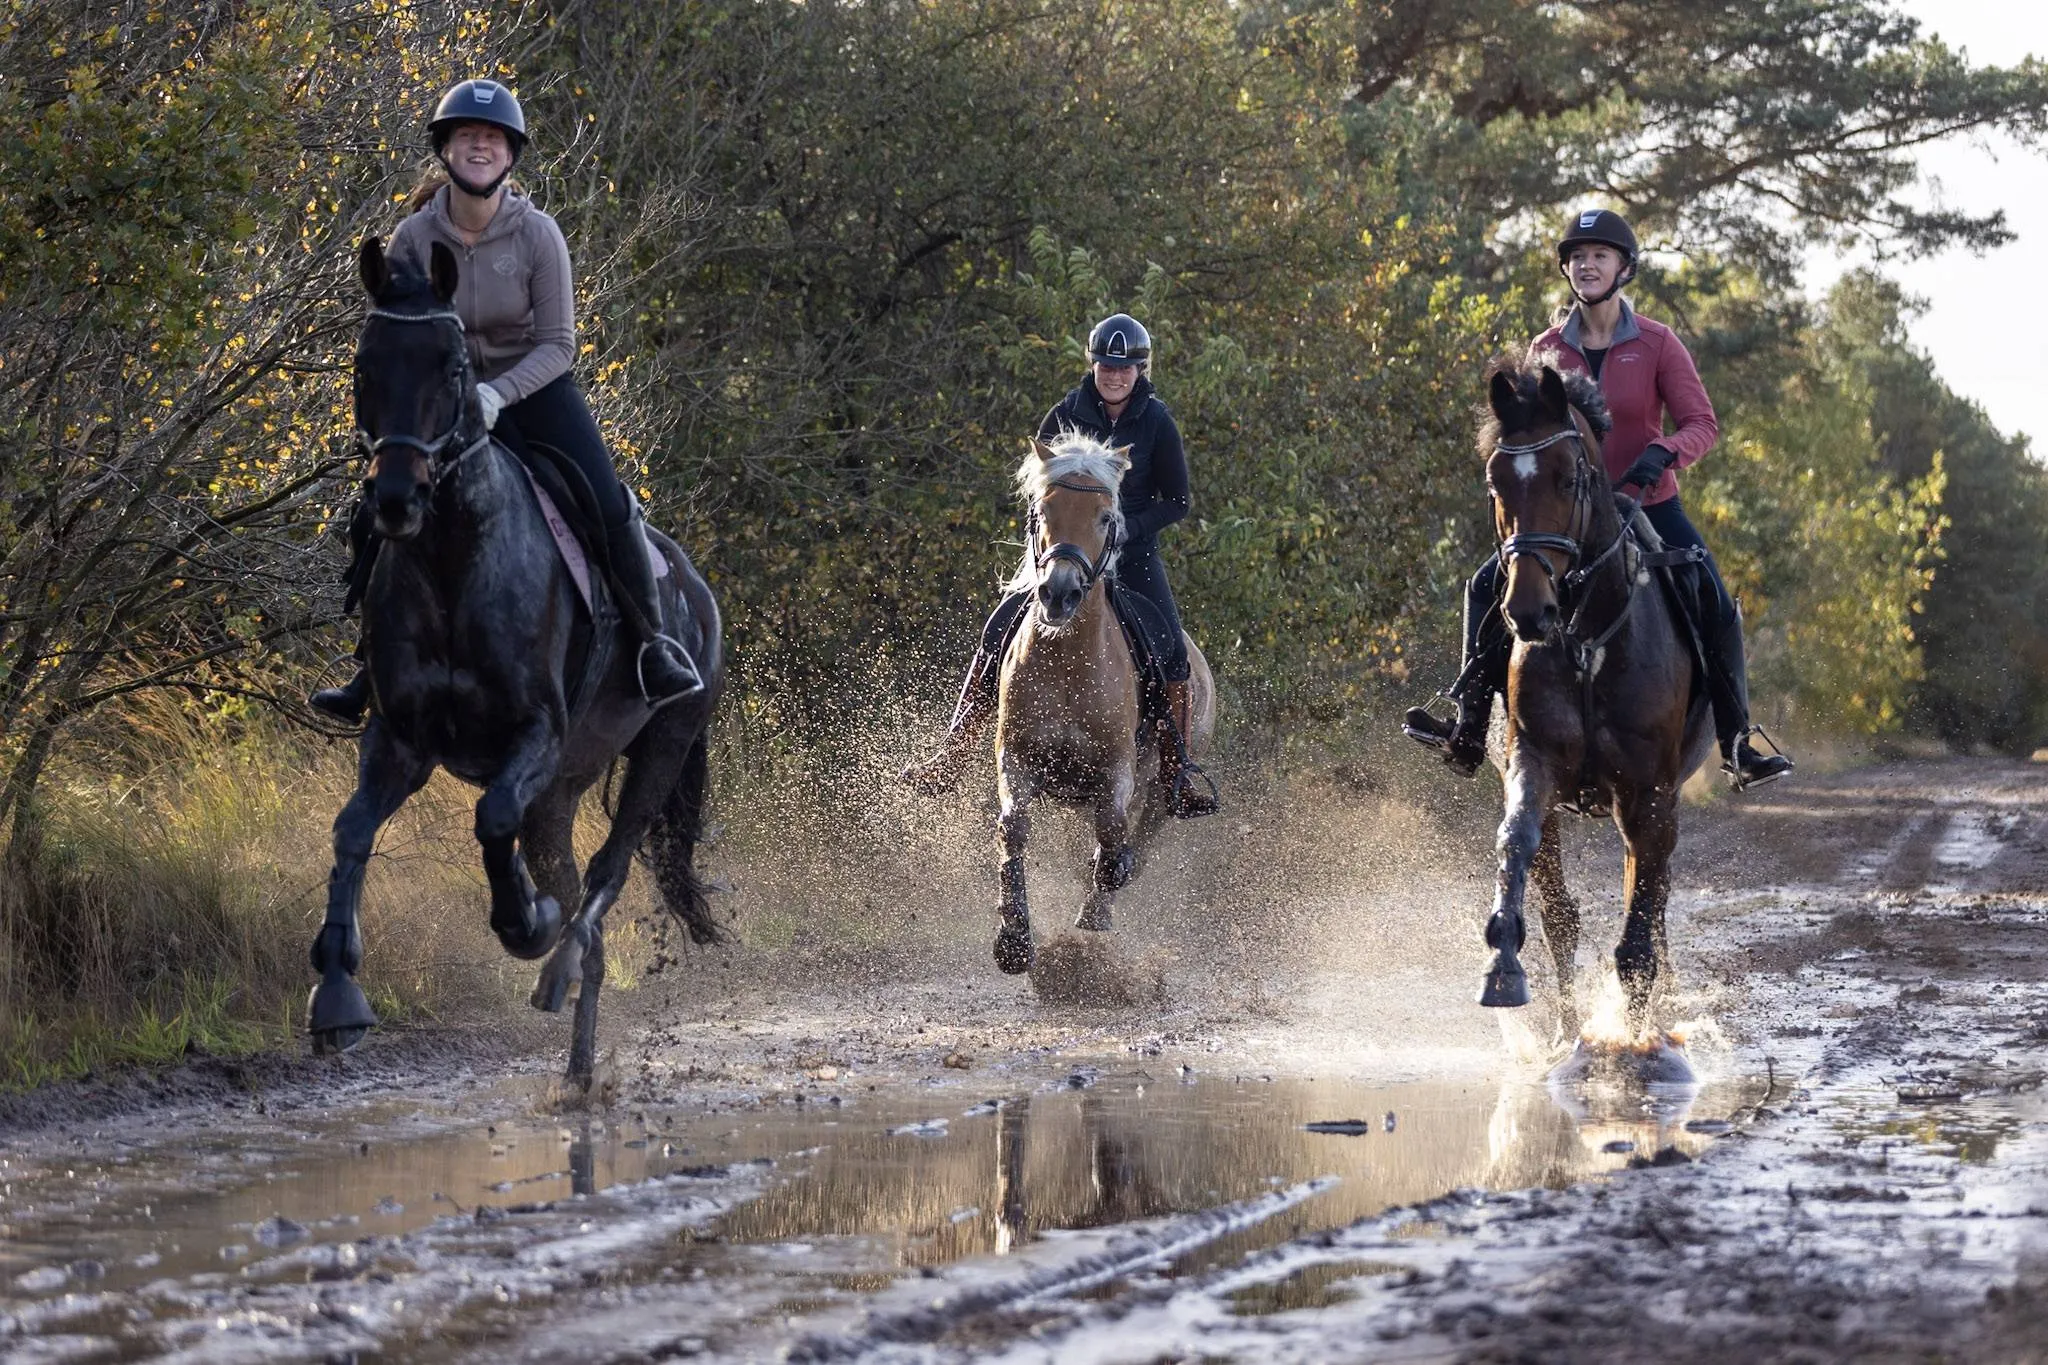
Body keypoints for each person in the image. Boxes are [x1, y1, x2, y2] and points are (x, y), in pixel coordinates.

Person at [311, 78, 701, 721]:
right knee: (378, 508)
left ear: (511, 154)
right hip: (446, 405)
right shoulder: (412, 236)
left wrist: (497, 393)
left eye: (491, 138)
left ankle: (652, 647)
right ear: (446, 149)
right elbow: (400, 338)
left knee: (605, 501)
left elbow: (558, 346)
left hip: (534, 392)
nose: (479, 146)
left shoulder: (538, 235)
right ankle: (369, 667)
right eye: (467, 136)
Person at [1402, 208, 1792, 790]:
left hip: (1647, 504)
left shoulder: (1659, 343)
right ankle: (1467, 721)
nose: (1587, 264)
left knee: (1711, 594)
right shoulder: (1547, 347)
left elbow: (1701, 423)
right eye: (1577, 257)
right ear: (1567, 270)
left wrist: (1665, 453)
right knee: (1485, 585)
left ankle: (1737, 741)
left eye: (1600, 256)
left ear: (1624, 268)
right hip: (1563, 515)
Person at [902, 313, 1218, 817]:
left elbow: (1177, 500)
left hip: (1130, 555)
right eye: (1106, 366)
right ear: (1093, 365)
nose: (1114, 376)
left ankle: (1177, 773)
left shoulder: (1157, 421)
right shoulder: (1066, 412)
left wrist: (1125, 529)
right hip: (1067, 553)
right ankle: (953, 752)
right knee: (998, 629)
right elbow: (1039, 496)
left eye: (1125, 368)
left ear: (1140, 370)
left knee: (1171, 649)